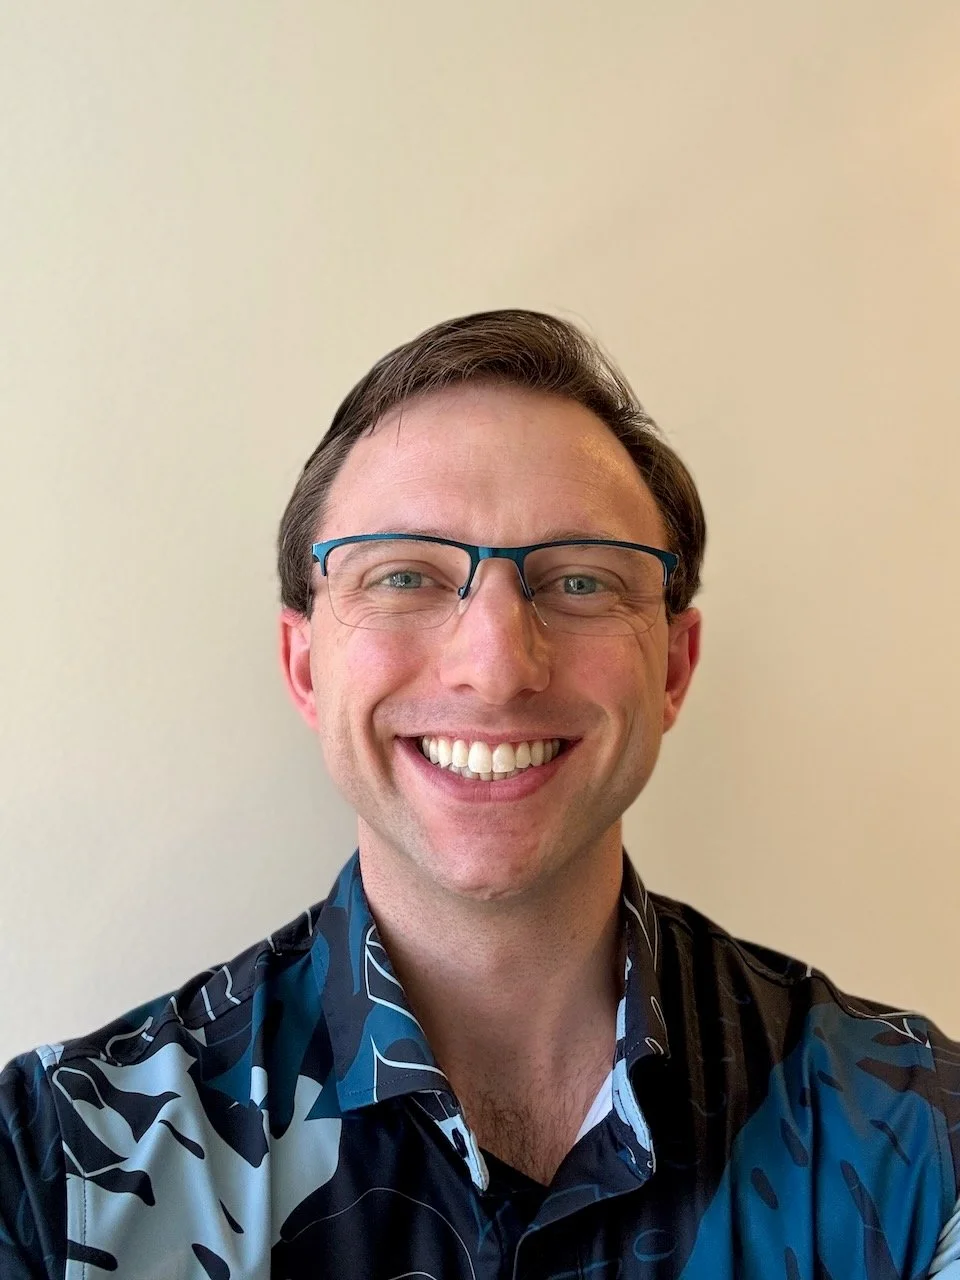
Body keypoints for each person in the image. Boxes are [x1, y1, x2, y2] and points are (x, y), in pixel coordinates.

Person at [1, 310, 958, 1279]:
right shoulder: (49, 1169)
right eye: (406, 574)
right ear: (304, 666)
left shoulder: (921, 1148)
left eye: (581, 579)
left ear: (673, 666)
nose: (497, 666)